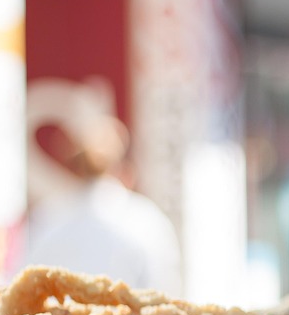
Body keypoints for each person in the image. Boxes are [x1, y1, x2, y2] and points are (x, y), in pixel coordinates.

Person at [20, 106, 183, 295]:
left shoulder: (46, 218)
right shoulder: (146, 220)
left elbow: (21, 287)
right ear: (125, 166)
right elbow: (165, 291)